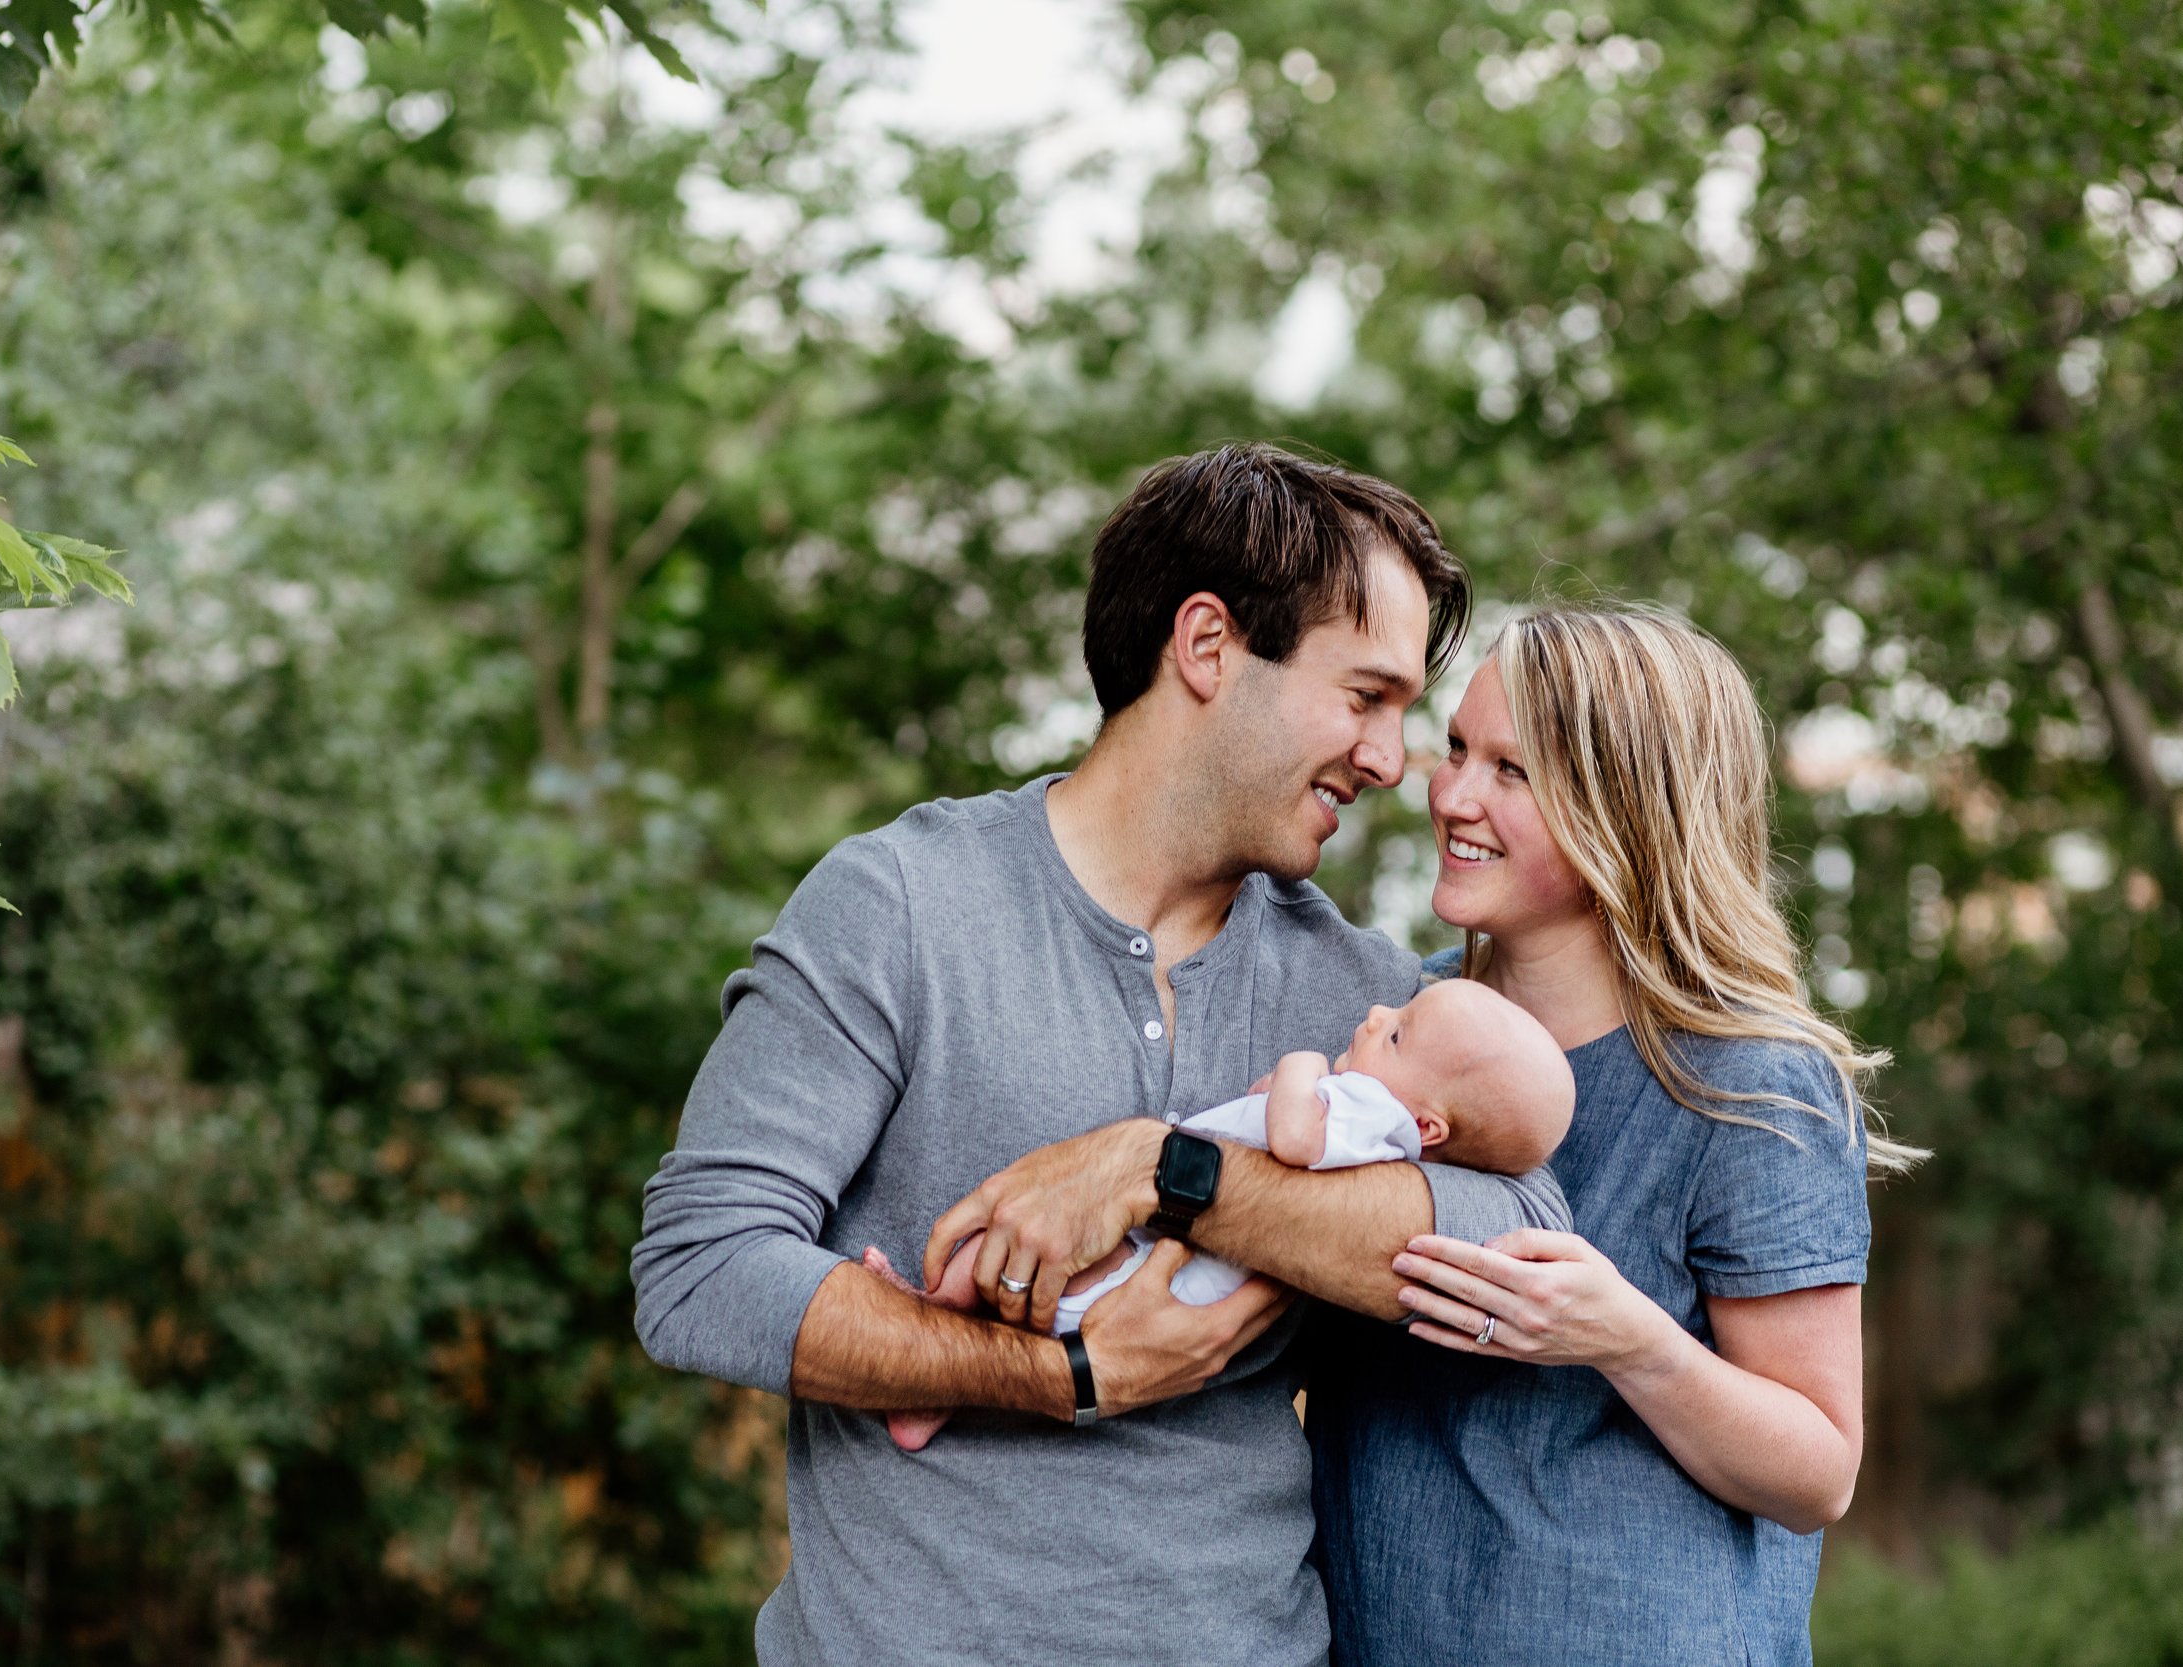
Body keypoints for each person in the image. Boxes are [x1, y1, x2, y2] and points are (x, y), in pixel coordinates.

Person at [629, 443, 1570, 1667]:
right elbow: (700, 1270)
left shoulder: (1364, 999)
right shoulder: (902, 905)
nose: (1392, 762)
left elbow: (1522, 1235)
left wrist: (1165, 1169)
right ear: (1207, 644)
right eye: (1364, 696)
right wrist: (1064, 1370)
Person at [934, 600, 1921, 1666]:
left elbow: (1817, 1469)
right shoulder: (1389, 1030)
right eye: (1457, 748)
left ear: (1626, 808)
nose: (1449, 793)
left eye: (1513, 770)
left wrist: (1623, 1337)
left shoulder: (1748, 1081)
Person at [873, 977, 1574, 1450]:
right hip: (1166, 1269)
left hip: (1154, 1273)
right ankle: (934, 1380)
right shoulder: (1383, 1126)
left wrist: (1301, 1069)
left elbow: (1296, 1138)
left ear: (1429, 1129)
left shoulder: (1375, 1112)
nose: (1374, 1016)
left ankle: (930, 1334)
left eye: (1397, 1035)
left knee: (1002, 1249)